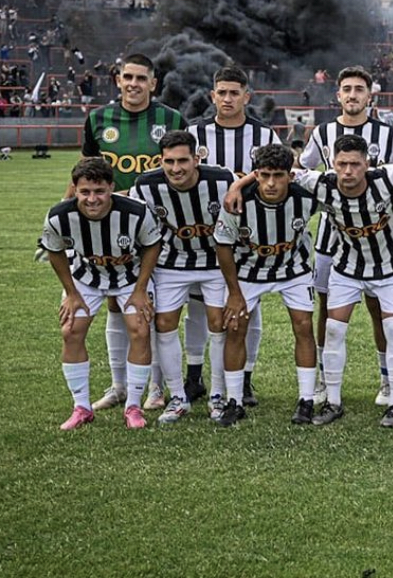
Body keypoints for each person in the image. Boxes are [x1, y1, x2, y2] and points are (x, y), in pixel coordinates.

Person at [290, 134, 393, 428]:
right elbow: (281, 173)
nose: (348, 171)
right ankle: (334, 401)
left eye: (355, 164)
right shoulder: (320, 183)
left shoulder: (389, 177)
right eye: (342, 164)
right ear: (334, 164)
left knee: (392, 327)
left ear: (367, 163)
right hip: (347, 268)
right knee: (334, 329)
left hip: (390, 268)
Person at [78, 53, 186, 414]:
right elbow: (85, 173)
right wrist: (65, 215)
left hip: (158, 228)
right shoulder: (98, 119)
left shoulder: (170, 119)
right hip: (106, 227)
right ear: (118, 80)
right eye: (128, 77)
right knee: (113, 302)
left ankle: (155, 387)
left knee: (148, 306)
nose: (134, 84)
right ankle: (119, 385)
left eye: (142, 78)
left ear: (153, 83)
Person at [300, 66, 393, 408]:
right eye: (347, 89)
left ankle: (388, 379)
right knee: (327, 309)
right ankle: (320, 379)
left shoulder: (388, 134)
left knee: (379, 308)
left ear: (369, 96)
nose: (353, 94)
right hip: (334, 237)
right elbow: (305, 169)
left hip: (377, 236)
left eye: (360, 89)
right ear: (338, 95)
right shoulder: (323, 132)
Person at [40, 158, 162, 430]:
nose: (92, 199)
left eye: (99, 191)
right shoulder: (59, 215)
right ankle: (81, 407)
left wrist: (141, 289)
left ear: (111, 187)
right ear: (75, 189)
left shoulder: (136, 212)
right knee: (71, 330)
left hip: (130, 277)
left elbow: (152, 246)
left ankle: (133, 406)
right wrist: (71, 293)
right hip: (86, 277)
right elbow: (54, 249)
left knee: (140, 328)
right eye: (85, 192)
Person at [186, 65, 281, 409]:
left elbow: (280, 178)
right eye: (221, 92)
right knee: (199, 308)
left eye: (234, 92)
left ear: (246, 96)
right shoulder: (195, 133)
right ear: (213, 96)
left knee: (248, 310)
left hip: (248, 234)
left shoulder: (266, 136)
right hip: (202, 234)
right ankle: (194, 376)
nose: (227, 98)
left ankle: (245, 378)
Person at [130, 131, 236, 422]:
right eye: (169, 161)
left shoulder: (221, 179)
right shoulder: (145, 185)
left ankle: (217, 395)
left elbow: (245, 186)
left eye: (183, 161)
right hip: (170, 263)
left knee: (218, 323)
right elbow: (135, 222)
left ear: (197, 158)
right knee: (164, 324)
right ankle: (177, 397)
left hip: (214, 262)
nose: (176, 168)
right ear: (160, 160)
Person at [214, 144, 320, 427]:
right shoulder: (237, 202)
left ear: (290, 175)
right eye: (264, 175)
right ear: (256, 175)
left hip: (293, 269)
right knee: (235, 327)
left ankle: (306, 399)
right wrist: (234, 294)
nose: (271, 183)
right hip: (248, 271)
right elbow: (223, 247)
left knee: (304, 326)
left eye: (278, 175)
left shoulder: (306, 197)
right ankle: (234, 400)